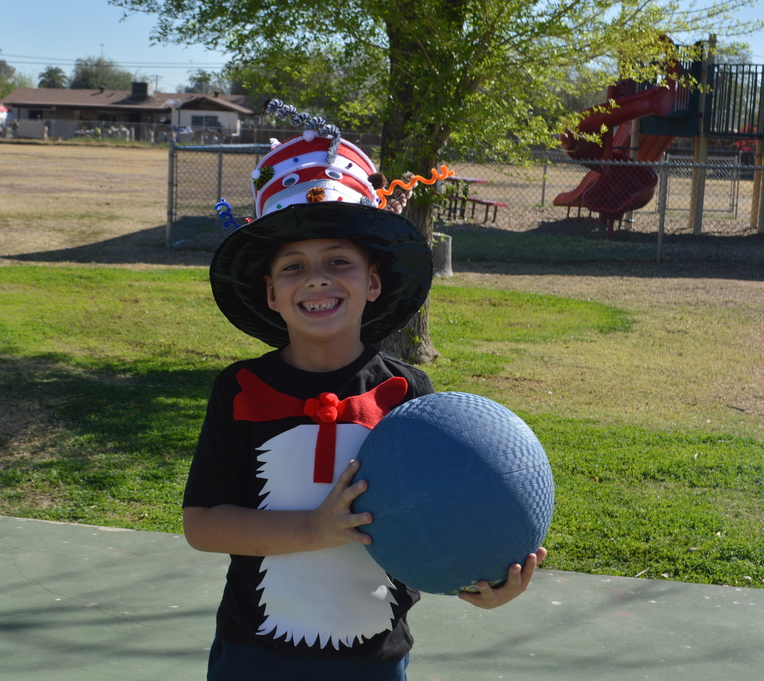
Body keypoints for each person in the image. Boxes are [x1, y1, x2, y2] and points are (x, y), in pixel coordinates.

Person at [183, 102, 546, 681]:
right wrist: (312, 529)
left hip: (373, 660)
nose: (317, 277)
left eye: (338, 261)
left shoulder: (408, 393)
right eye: (292, 267)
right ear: (270, 294)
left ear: (373, 282)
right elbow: (202, 523)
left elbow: (437, 512)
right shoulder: (239, 388)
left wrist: (481, 578)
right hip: (253, 656)